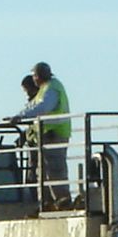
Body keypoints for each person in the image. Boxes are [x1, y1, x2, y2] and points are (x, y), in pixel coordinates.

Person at [10, 61, 72, 194]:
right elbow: (32, 106)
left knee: (54, 169)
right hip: (48, 134)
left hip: (54, 133)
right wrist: (19, 115)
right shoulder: (46, 88)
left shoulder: (52, 88)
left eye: (34, 76)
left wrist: (20, 117)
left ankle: (61, 199)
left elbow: (43, 107)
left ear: (38, 76)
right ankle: (49, 201)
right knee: (44, 171)